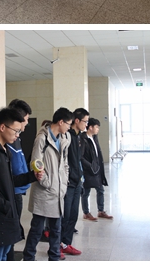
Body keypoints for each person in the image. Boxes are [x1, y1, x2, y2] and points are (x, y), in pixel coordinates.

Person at [0, 108, 42, 261]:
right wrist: (6, 206)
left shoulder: (4, 151)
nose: (18, 135)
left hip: (6, 218)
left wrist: (32, 176)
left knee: (3, 256)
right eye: (16, 131)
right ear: (2, 127)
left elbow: (9, 181)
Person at [23, 108, 73, 262]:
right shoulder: (42, 139)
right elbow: (35, 164)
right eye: (68, 124)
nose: (69, 127)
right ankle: (29, 258)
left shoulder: (64, 138)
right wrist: (48, 183)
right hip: (44, 192)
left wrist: (64, 182)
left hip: (58, 191)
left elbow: (65, 163)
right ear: (61, 122)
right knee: (37, 229)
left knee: (56, 229)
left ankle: (54, 258)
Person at [5, 98, 33, 261]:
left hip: (19, 187)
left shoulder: (17, 138)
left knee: (14, 227)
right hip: (13, 190)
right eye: (26, 119)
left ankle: (10, 254)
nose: (27, 123)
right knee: (11, 227)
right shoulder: (8, 140)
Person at [60, 108, 89, 256]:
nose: (86, 124)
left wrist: (80, 178)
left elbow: (78, 161)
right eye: (85, 121)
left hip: (77, 182)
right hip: (69, 183)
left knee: (73, 215)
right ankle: (57, 245)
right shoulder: (68, 136)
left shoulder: (78, 137)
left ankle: (66, 243)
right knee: (64, 216)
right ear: (76, 121)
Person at [81, 118, 113, 220]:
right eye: (96, 127)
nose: (98, 129)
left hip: (97, 168)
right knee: (86, 192)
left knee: (100, 189)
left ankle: (101, 210)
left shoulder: (94, 137)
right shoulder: (83, 138)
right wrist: (90, 166)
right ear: (90, 127)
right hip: (88, 170)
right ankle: (86, 213)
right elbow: (80, 157)